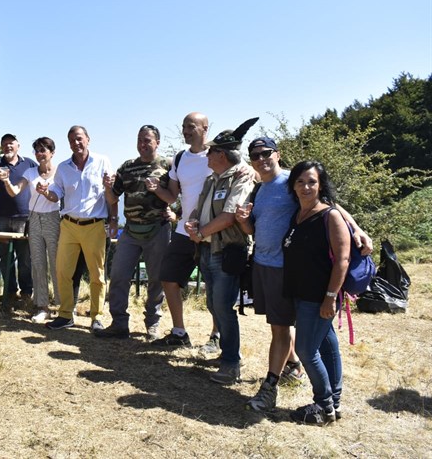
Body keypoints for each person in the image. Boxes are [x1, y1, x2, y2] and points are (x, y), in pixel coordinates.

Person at [236, 138, 373, 411]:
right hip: (267, 265)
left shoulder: (294, 180)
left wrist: (356, 229)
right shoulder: (260, 189)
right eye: (255, 156)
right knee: (318, 335)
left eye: (266, 153)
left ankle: (274, 388)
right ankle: (324, 391)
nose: (261, 159)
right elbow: (258, 227)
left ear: (277, 154)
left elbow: (329, 204)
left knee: (283, 329)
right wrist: (243, 221)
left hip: (286, 269)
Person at [184, 118, 259, 384]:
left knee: (223, 307)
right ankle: (226, 353)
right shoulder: (213, 178)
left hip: (226, 250)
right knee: (212, 304)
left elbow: (230, 215)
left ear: (222, 155)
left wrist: (202, 232)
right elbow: (199, 207)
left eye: (212, 150)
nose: (207, 154)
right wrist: (193, 222)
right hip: (206, 249)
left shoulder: (242, 175)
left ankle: (231, 364)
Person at [282, 161, 349, 425]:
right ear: (293, 186)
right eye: (300, 181)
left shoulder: (329, 215)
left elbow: (342, 260)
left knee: (306, 350)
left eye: (311, 181)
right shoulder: (297, 215)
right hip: (302, 293)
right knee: (327, 345)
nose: (306, 186)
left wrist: (330, 297)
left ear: (321, 185)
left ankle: (323, 405)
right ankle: (335, 402)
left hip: (320, 296)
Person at [95, 125, 171, 341]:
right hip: (130, 230)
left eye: (147, 140)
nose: (142, 144)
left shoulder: (168, 165)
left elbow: (181, 192)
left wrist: (175, 213)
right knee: (118, 275)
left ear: (157, 142)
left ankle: (153, 324)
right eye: (139, 140)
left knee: (156, 279)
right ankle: (119, 323)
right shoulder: (127, 167)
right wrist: (108, 187)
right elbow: (112, 198)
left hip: (158, 229)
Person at [149, 112, 217, 349]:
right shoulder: (179, 158)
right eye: (184, 127)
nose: (186, 131)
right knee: (168, 277)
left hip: (212, 231)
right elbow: (172, 195)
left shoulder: (218, 154)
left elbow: (246, 174)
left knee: (215, 288)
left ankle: (216, 337)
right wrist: (157, 189)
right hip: (183, 230)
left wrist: (248, 170)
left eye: (191, 126)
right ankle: (179, 333)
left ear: (205, 128)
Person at [37, 126, 115, 331]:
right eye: (71, 140)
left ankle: (96, 316)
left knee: (97, 274)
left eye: (79, 139)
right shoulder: (63, 168)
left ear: (88, 139)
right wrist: (46, 193)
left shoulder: (102, 161)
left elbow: (112, 192)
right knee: (63, 271)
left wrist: (113, 218)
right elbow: (56, 193)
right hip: (69, 225)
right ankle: (65, 315)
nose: (76, 143)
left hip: (94, 225)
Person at [0, 136, 60, 322]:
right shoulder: (30, 172)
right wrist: (6, 181)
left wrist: (46, 193)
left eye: (44, 150)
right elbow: (15, 191)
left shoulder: (60, 172)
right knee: (38, 264)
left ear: (52, 152)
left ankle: (63, 305)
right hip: (33, 219)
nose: (40, 154)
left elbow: (58, 198)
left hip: (54, 218)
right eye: (37, 150)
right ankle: (42, 306)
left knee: (57, 263)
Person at [0, 133, 37, 301]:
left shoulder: (28, 163)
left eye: (11, 143)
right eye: (5, 143)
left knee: (25, 258)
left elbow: (42, 175)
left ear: (18, 145)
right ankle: (10, 292)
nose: (8, 146)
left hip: (24, 217)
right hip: (1, 217)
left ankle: (27, 292)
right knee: (5, 258)